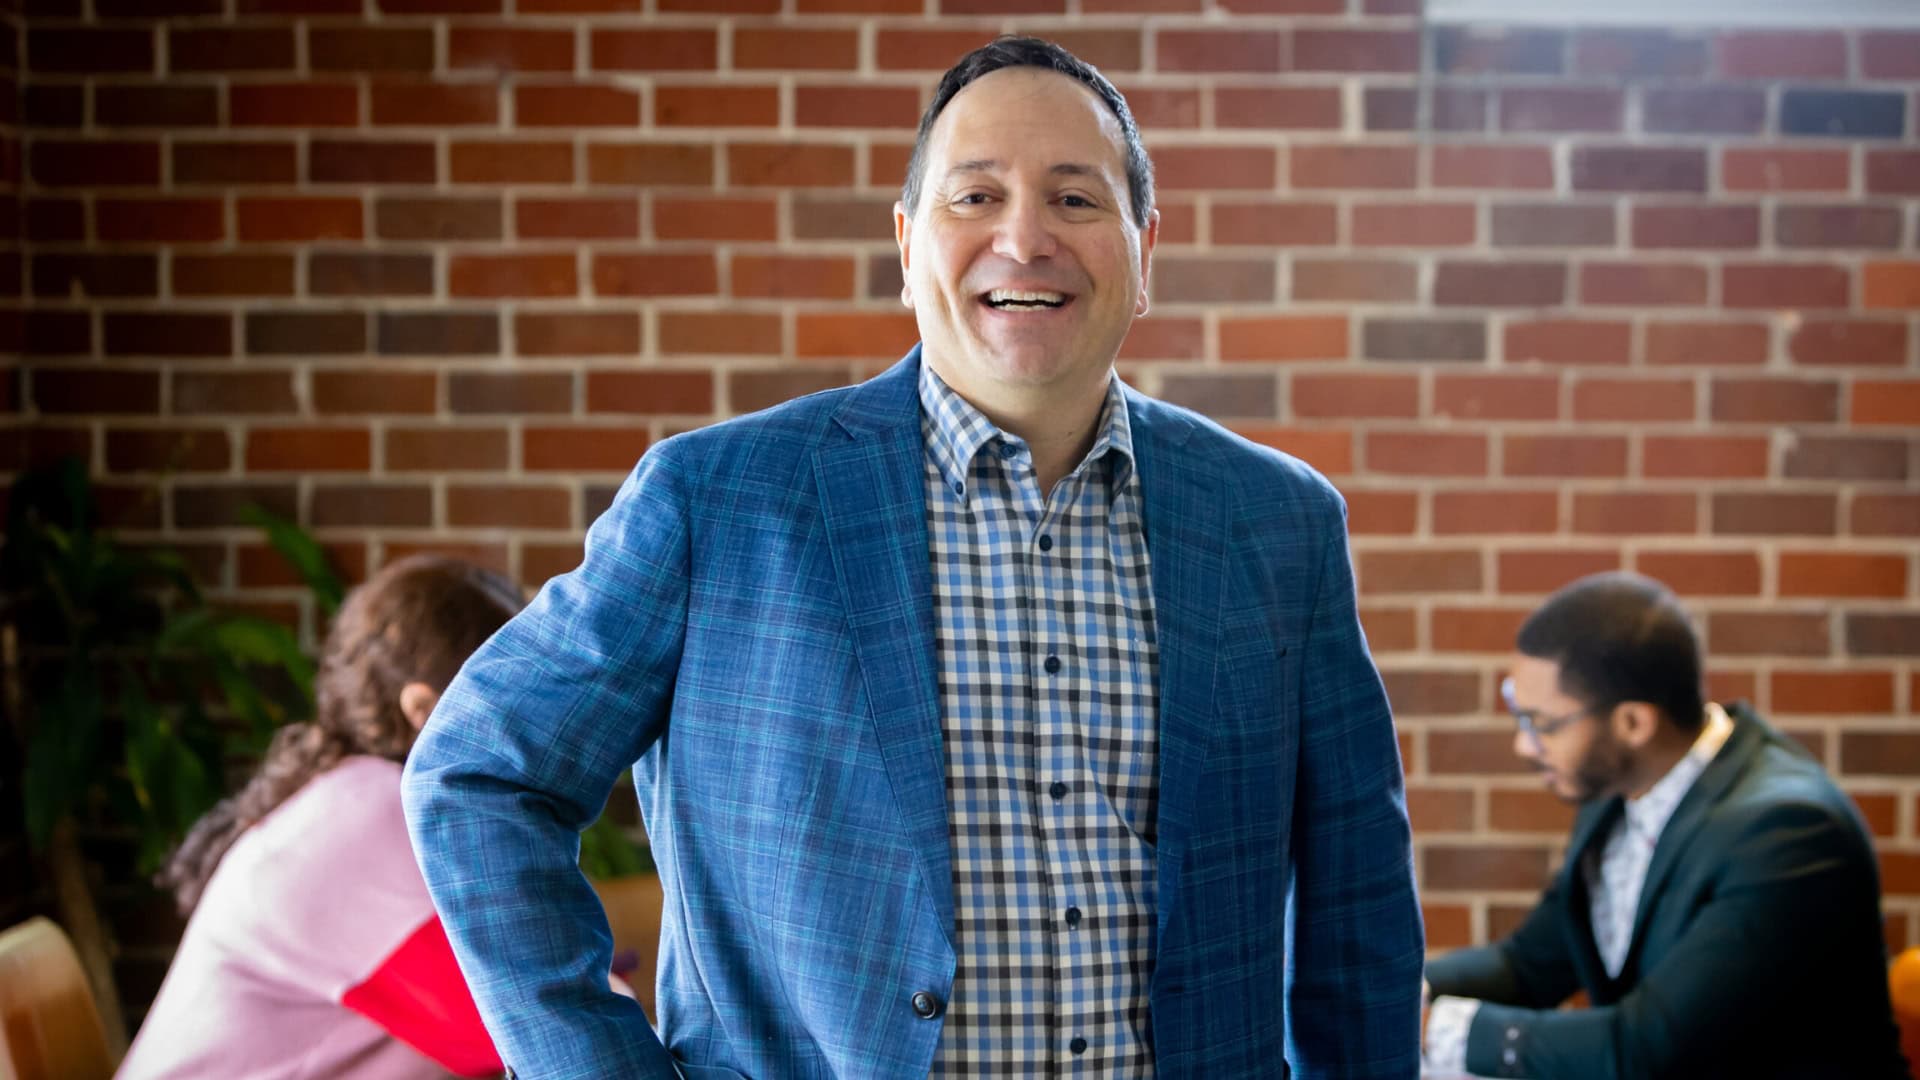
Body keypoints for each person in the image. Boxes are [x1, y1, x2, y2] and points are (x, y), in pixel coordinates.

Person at [404, 35, 1422, 1079]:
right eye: (974, 198)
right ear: (905, 244)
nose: (1024, 240)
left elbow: (1359, 909)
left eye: (1075, 200)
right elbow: (480, 774)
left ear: (1144, 249)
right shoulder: (715, 501)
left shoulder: (1277, 521)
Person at [1422, 571, 1907, 1079]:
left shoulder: (1789, 832)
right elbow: (1530, 965)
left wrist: (1432, 1029)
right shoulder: (1619, 786)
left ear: (1633, 723)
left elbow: (1646, 1047)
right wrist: (1393, 993)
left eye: (1543, 724)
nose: (1525, 746)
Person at [120, 555, 522, 1080]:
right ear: (424, 710)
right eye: (513, 701)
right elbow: (520, 1032)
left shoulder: (349, 796)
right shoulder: (369, 813)